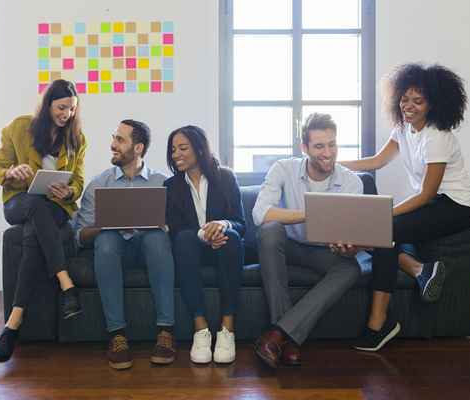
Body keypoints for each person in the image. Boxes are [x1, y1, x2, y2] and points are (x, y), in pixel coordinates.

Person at [340, 63, 470, 352]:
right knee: (382, 234)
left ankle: (377, 326)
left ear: (433, 104)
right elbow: (376, 162)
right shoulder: (402, 129)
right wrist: (335, 164)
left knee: (382, 229)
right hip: (434, 203)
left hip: (456, 206)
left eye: (418, 101)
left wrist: (385, 213)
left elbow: (427, 194)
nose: (409, 106)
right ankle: (419, 270)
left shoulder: (437, 136)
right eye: (405, 99)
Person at [251, 113, 365, 368]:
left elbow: (354, 234)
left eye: (332, 144)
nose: (328, 153)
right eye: (319, 146)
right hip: (288, 246)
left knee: (351, 268)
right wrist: (309, 214)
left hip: (325, 251)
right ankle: (287, 338)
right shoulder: (283, 168)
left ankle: (278, 336)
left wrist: (348, 248)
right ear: (304, 148)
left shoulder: (351, 181)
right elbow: (260, 213)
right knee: (269, 231)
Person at [0, 79, 87, 362]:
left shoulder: (77, 139)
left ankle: (12, 326)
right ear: (47, 105)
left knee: (37, 223)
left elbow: (78, 180)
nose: (66, 114)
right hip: (19, 202)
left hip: (55, 205)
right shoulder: (20, 127)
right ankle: (66, 282)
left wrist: (69, 191)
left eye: (71, 109)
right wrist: (10, 172)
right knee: (35, 206)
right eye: (61, 107)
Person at [71, 119, 176, 369]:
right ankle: (117, 335)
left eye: (120, 140)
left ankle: (165, 332)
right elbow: (79, 236)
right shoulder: (99, 184)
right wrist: (107, 226)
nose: (112, 145)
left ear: (138, 148)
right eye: (113, 138)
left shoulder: (162, 183)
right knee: (106, 239)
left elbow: (178, 230)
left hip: (150, 251)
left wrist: (163, 226)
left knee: (157, 237)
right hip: (114, 251)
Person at [164, 125, 245, 364]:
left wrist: (222, 225)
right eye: (173, 150)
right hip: (191, 250)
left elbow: (241, 223)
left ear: (199, 149)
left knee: (232, 238)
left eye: (182, 148)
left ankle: (227, 329)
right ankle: (200, 329)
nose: (176, 154)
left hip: (225, 249)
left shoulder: (226, 177)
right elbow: (176, 228)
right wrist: (204, 234)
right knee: (184, 239)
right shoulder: (171, 186)